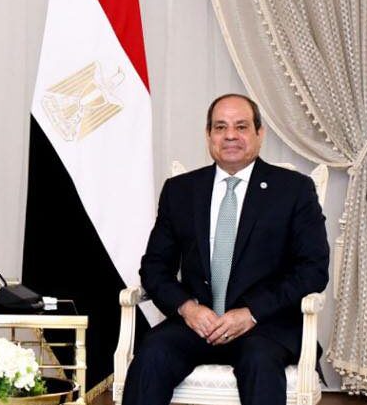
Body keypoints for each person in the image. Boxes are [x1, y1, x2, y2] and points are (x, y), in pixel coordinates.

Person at [122, 94, 329, 405]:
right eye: (220, 127)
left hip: (265, 325)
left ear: (260, 133)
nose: (230, 135)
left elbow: (312, 270)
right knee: (152, 355)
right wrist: (188, 309)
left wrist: (251, 312)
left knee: (259, 362)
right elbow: (154, 268)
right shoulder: (180, 190)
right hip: (197, 322)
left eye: (241, 126)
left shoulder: (294, 189)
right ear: (208, 135)